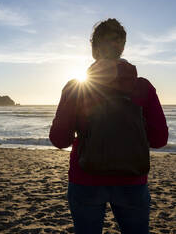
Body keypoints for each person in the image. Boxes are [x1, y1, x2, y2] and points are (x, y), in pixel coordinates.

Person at [49, 18, 168, 234]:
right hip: (132, 178)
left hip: (85, 177)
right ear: (122, 47)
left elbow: (59, 139)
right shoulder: (143, 87)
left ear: (94, 49)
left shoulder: (77, 86)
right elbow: (160, 139)